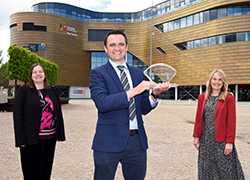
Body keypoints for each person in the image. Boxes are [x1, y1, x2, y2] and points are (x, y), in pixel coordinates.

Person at [89, 29, 171, 180]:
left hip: (136, 142)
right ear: (105, 49)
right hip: (108, 141)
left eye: (121, 44)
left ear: (127, 47)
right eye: (112, 45)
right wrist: (135, 90)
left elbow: (144, 109)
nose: (117, 48)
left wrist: (155, 94)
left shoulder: (138, 74)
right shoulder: (98, 73)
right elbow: (102, 103)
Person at [13, 63, 66, 180]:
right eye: (35, 72)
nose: (38, 74)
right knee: (32, 173)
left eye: (40, 71)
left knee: (46, 172)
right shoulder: (24, 91)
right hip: (31, 140)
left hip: (50, 139)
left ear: (44, 74)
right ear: (31, 76)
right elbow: (18, 116)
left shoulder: (52, 90)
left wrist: (60, 134)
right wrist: (20, 139)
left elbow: (58, 112)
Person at [193, 69, 245, 179]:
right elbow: (198, 118)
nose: (217, 82)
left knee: (224, 172)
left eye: (220, 79)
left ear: (223, 82)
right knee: (206, 172)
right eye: (214, 79)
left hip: (221, 142)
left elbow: (231, 122)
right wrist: (196, 136)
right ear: (210, 81)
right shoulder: (202, 97)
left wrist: (229, 142)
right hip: (205, 142)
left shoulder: (229, 98)